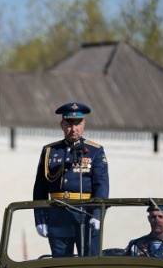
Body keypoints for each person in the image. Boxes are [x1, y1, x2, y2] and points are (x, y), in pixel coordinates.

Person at [33, 102, 109, 256]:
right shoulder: (50, 151)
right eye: (69, 124)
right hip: (58, 215)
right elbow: (40, 188)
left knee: (89, 266)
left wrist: (97, 214)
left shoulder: (94, 151)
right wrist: (40, 218)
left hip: (86, 215)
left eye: (78, 124)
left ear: (83, 125)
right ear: (62, 125)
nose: (73, 129)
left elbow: (101, 185)